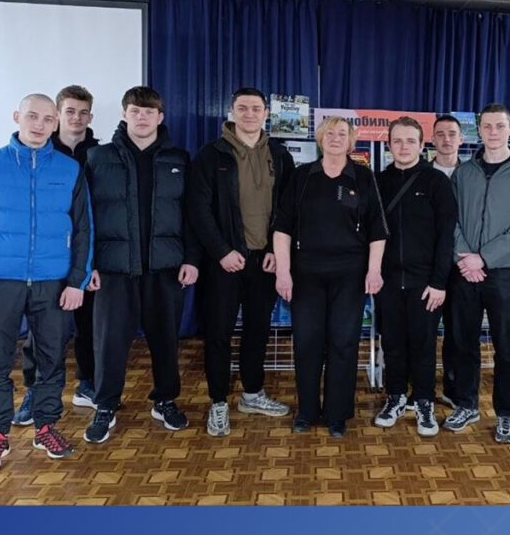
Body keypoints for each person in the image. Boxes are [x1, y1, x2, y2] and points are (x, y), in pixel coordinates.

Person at [0, 94, 92, 473]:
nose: (39, 125)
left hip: (54, 284)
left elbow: (84, 229)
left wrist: (77, 281)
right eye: (32, 116)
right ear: (17, 116)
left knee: (51, 359)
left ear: (56, 124)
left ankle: (45, 426)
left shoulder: (70, 169)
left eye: (48, 119)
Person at [82, 86, 201, 444]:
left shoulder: (179, 159)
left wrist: (191, 259)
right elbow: (84, 217)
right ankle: (105, 405)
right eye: (135, 111)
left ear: (160, 117)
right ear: (124, 114)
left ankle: (165, 401)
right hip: (114, 269)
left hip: (165, 268)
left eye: (149, 112)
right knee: (109, 342)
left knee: (165, 340)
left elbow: (192, 215)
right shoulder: (97, 158)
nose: (142, 117)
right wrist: (88, 265)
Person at [188, 87, 295, 437]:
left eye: (256, 108)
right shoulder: (211, 154)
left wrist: (276, 252)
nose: (250, 114)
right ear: (232, 111)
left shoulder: (280, 154)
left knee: (257, 331)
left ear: (266, 113)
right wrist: (221, 251)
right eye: (243, 108)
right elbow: (198, 209)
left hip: (264, 261)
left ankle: (252, 394)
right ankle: (218, 401)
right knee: (218, 333)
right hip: (224, 261)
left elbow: (288, 209)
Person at [272, 116, 388, 438]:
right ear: (320, 139)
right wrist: (283, 272)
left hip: (350, 276)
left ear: (351, 142)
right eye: (330, 133)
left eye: (342, 134)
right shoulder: (301, 176)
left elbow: (378, 230)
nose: (335, 138)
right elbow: (282, 228)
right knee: (307, 342)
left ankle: (337, 414)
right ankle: (307, 411)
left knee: (343, 343)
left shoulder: (363, 177)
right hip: (306, 275)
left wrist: (374, 270)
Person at [444, 103, 510, 443]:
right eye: (487, 126)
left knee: (505, 348)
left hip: (504, 274)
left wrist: (483, 259)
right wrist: (466, 259)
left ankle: (506, 414)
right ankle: (466, 404)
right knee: (462, 343)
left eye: (500, 126)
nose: (493, 132)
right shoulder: (464, 173)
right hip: (464, 272)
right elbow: (451, 220)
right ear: (479, 130)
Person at [13, 85, 100, 426]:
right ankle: (35, 392)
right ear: (58, 116)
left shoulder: (102, 154)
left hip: (85, 258)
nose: (76, 118)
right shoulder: (40, 152)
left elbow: (98, 214)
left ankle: (87, 383)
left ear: (90, 117)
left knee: (90, 327)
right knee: (41, 333)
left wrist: (92, 264)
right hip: (46, 262)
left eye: (83, 112)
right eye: (70, 111)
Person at [373, 117, 457, 437]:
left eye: (411, 141)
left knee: (423, 345)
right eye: (397, 141)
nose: (404, 146)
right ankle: (395, 397)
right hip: (388, 281)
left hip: (426, 283)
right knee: (392, 343)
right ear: (389, 144)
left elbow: (446, 236)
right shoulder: (378, 182)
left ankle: (424, 402)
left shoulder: (437, 183)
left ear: (422, 145)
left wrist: (439, 282)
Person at [430, 114, 465, 410]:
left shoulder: (473, 175)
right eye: (440, 134)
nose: (446, 139)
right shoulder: (421, 174)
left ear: (461, 139)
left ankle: (453, 390)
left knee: (457, 332)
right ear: (432, 139)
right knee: (423, 332)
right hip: (428, 267)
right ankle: (421, 391)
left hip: (463, 266)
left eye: (452, 134)